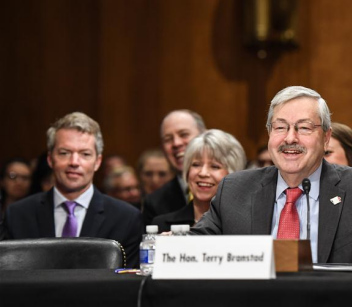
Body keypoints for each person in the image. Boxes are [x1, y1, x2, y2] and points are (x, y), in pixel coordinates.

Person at [191, 86, 352, 268]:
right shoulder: (235, 190)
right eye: (280, 127)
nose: (290, 138)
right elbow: (194, 245)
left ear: (326, 137)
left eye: (304, 128)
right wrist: (170, 245)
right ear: (269, 134)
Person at [5, 112, 143, 267]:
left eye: (85, 154)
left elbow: (125, 285)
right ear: (50, 159)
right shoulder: (18, 215)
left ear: (97, 162)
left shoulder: (126, 218)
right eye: (64, 153)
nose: (74, 162)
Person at [152, 129, 246, 232]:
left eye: (215, 166)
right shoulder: (162, 225)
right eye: (196, 165)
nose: (203, 173)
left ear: (234, 174)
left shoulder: (245, 226)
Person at [142, 110, 206, 225]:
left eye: (184, 134)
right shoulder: (155, 202)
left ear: (204, 137)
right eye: (168, 139)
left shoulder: (230, 191)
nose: (176, 143)